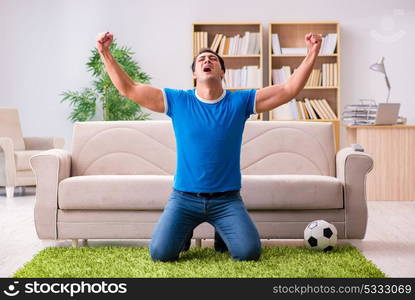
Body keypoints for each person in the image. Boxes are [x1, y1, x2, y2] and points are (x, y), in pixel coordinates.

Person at [96, 31, 322, 262]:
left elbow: (288, 90)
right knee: (160, 254)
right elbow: (130, 88)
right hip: (184, 198)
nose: (207, 60)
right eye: (201, 59)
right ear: (194, 73)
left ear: (222, 72)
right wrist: (105, 53)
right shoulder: (177, 101)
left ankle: (221, 231)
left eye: (213, 59)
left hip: (226, 200)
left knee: (248, 253)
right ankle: (185, 230)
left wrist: (312, 52)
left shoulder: (240, 102)